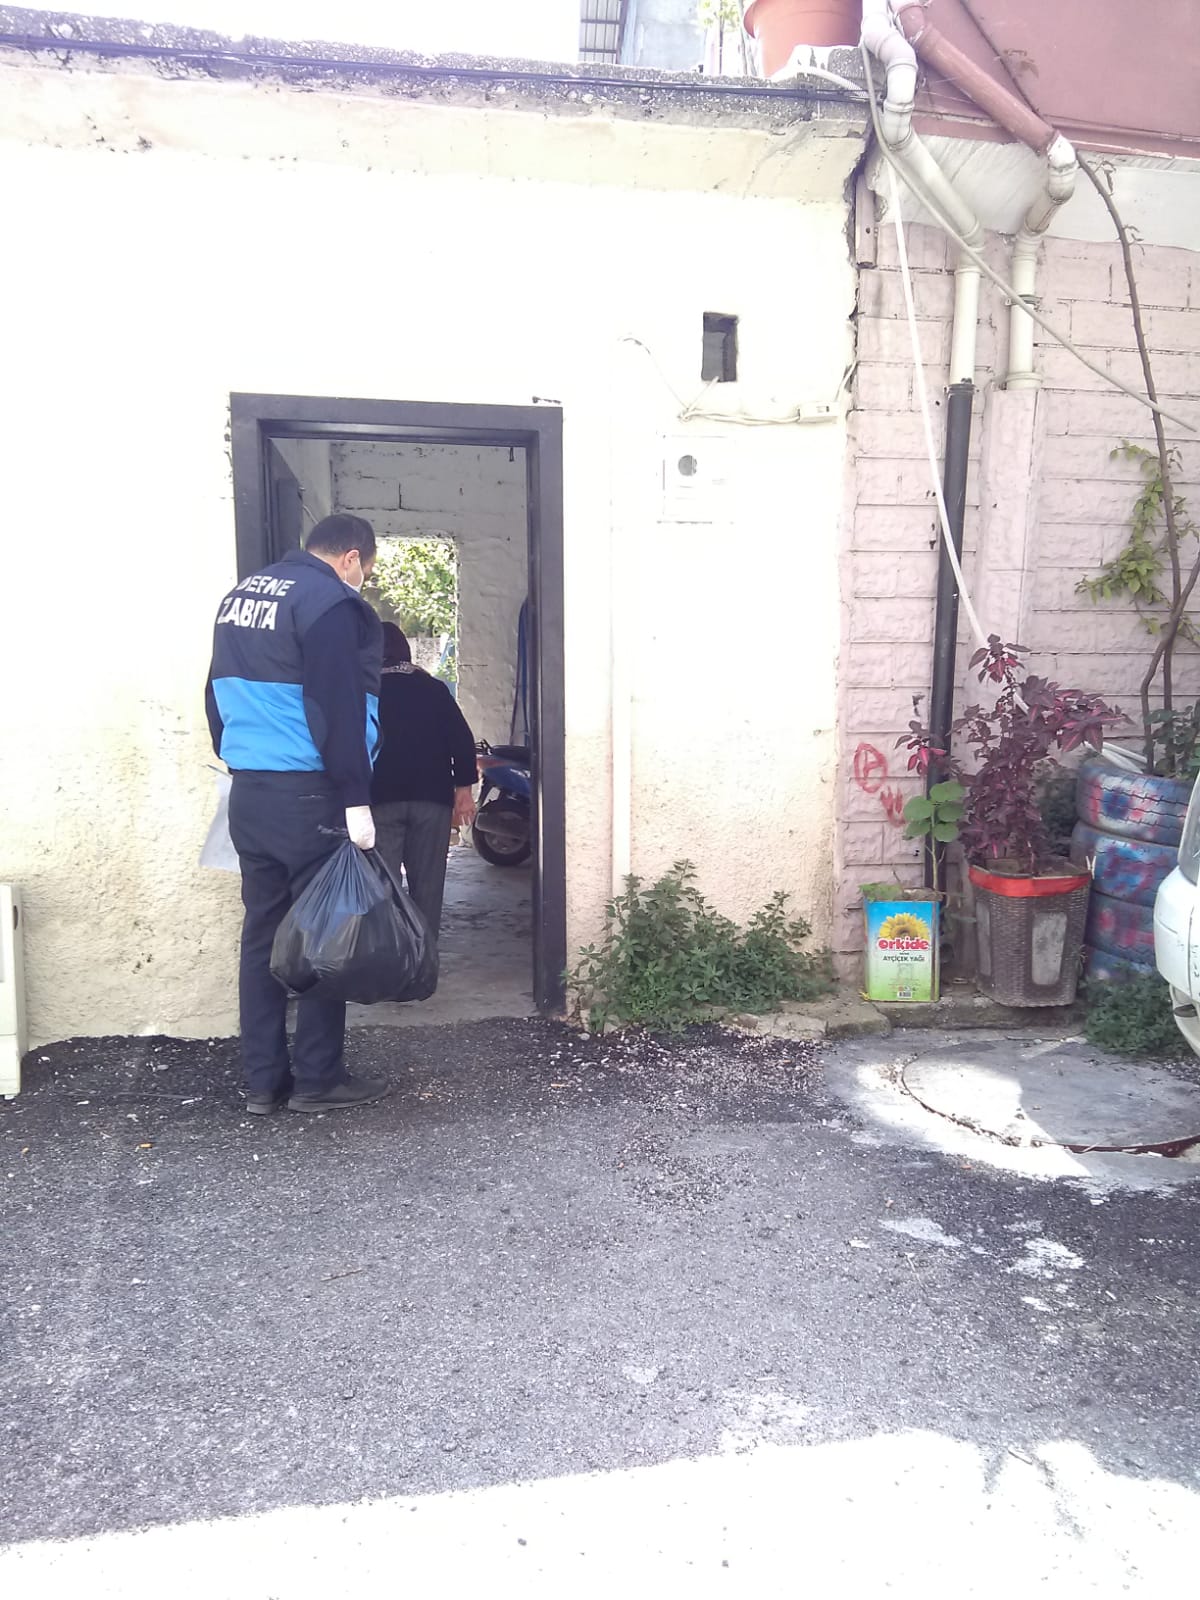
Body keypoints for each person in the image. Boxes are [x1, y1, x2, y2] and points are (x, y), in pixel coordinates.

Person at [205, 514, 388, 1115]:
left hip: (250, 791)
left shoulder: (240, 597)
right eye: (365, 570)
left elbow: (215, 694)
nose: (361, 580)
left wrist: (241, 760)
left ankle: (263, 1081)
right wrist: (355, 796)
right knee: (323, 935)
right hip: (309, 793)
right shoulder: (327, 601)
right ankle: (317, 1078)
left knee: (262, 934)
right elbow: (337, 703)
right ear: (352, 558)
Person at [371, 622, 478, 944]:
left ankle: (389, 957)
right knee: (428, 886)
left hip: (379, 799)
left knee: (382, 886)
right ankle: (424, 958)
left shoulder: (363, 691)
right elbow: (462, 740)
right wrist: (464, 789)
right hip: (432, 801)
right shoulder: (433, 689)